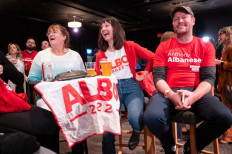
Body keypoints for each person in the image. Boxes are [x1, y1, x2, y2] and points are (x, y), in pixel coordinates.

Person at [143, 6, 232, 154]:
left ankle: (192, 146)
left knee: (224, 117)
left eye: (184, 17)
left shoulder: (205, 46)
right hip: (168, 90)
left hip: (196, 92)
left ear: (193, 21)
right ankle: (169, 144)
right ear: (173, 24)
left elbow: (209, 78)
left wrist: (194, 96)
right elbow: (158, 76)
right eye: (176, 19)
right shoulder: (163, 47)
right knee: (151, 117)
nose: (180, 21)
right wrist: (171, 94)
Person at [95, 17, 155, 153]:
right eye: (101, 27)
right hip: (111, 90)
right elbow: (99, 76)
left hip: (131, 86)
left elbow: (153, 57)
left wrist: (145, 74)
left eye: (107, 26)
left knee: (134, 117)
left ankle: (136, 130)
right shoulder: (100, 55)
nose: (103, 29)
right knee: (107, 126)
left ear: (115, 29)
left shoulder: (129, 46)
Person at [28, 23, 86, 154]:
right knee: (48, 123)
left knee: (79, 120)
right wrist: (48, 86)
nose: (50, 34)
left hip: (72, 99)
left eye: (54, 32)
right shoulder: (41, 55)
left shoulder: (75, 55)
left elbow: (84, 78)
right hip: (49, 100)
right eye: (49, 33)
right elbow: (31, 80)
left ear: (64, 36)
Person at [0, 50, 60, 153]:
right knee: (41, 125)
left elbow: (19, 79)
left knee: (50, 118)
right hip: (3, 108)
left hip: (8, 100)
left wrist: (4, 69)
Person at [215, 26, 232, 144]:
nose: (219, 37)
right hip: (225, 84)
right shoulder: (225, 48)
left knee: (227, 110)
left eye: (221, 35)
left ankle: (228, 136)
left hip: (229, 84)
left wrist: (220, 62)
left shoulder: (230, 48)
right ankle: (227, 136)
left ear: (227, 35)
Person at [21, 37, 38, 104]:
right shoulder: (20, 53)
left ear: (35, 45)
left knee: (34, 96)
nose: (31, 44)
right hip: (23, 78)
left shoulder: (38, 54)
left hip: (34, 79)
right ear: (26, 44)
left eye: (32, 43)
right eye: (29, 42)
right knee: (26, 95)